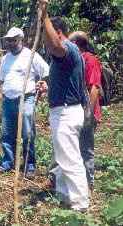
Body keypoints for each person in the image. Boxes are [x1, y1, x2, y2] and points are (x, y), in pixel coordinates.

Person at [40, 0, 89, 211]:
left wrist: (44, 16)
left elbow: (54, 45)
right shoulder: (70, 54)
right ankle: (64, 194)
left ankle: (80, 204)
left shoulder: (66, 49)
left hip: (67, 112)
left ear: (58, 32)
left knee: (69, 159)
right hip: (67, 110)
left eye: (49, 33)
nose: (46, 42)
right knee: (63, 156)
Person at [0, 27, 49, 178]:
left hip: (26, 97)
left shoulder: (30, 54)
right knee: (6, 133)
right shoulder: (6, 58)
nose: (11, 43)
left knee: (27, 132)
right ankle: (8, 162)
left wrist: (42, 83)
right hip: (8, 99)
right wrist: (0, 97)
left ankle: (29, 164)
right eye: (9, 40)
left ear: (20, 40)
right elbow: (1, 80)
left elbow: (46, 71)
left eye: (14, 40)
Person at [69, 31, 102, 190]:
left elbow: (94, 87)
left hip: (86, 111)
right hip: (74, 110)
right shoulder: (75, 60)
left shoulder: (90, 60)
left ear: (76, 44)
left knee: (85, 147)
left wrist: (87, 112)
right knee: (74, 146)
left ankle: (88, 182)